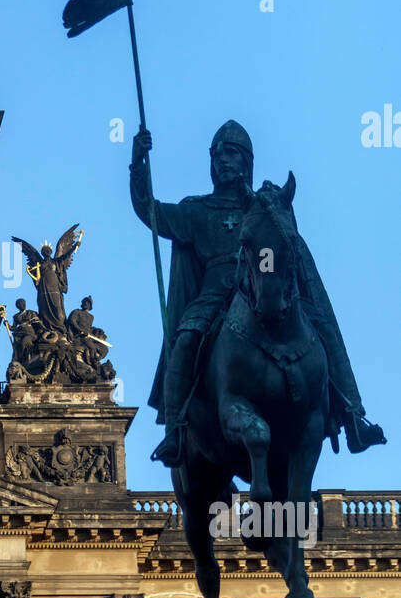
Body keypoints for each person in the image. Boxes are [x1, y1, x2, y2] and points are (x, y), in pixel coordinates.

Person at [130, 122, 385, 466]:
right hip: (215, 294)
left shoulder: (267, 207)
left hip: (268, 287)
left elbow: (286, 253)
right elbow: (150, 210)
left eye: (231, 153)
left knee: (321, 324)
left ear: (246, 161)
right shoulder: (197, 210)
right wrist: (138, 163)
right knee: (187, 336)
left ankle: (353, 414)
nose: (222, 160)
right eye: (216, 155)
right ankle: (175, 430)